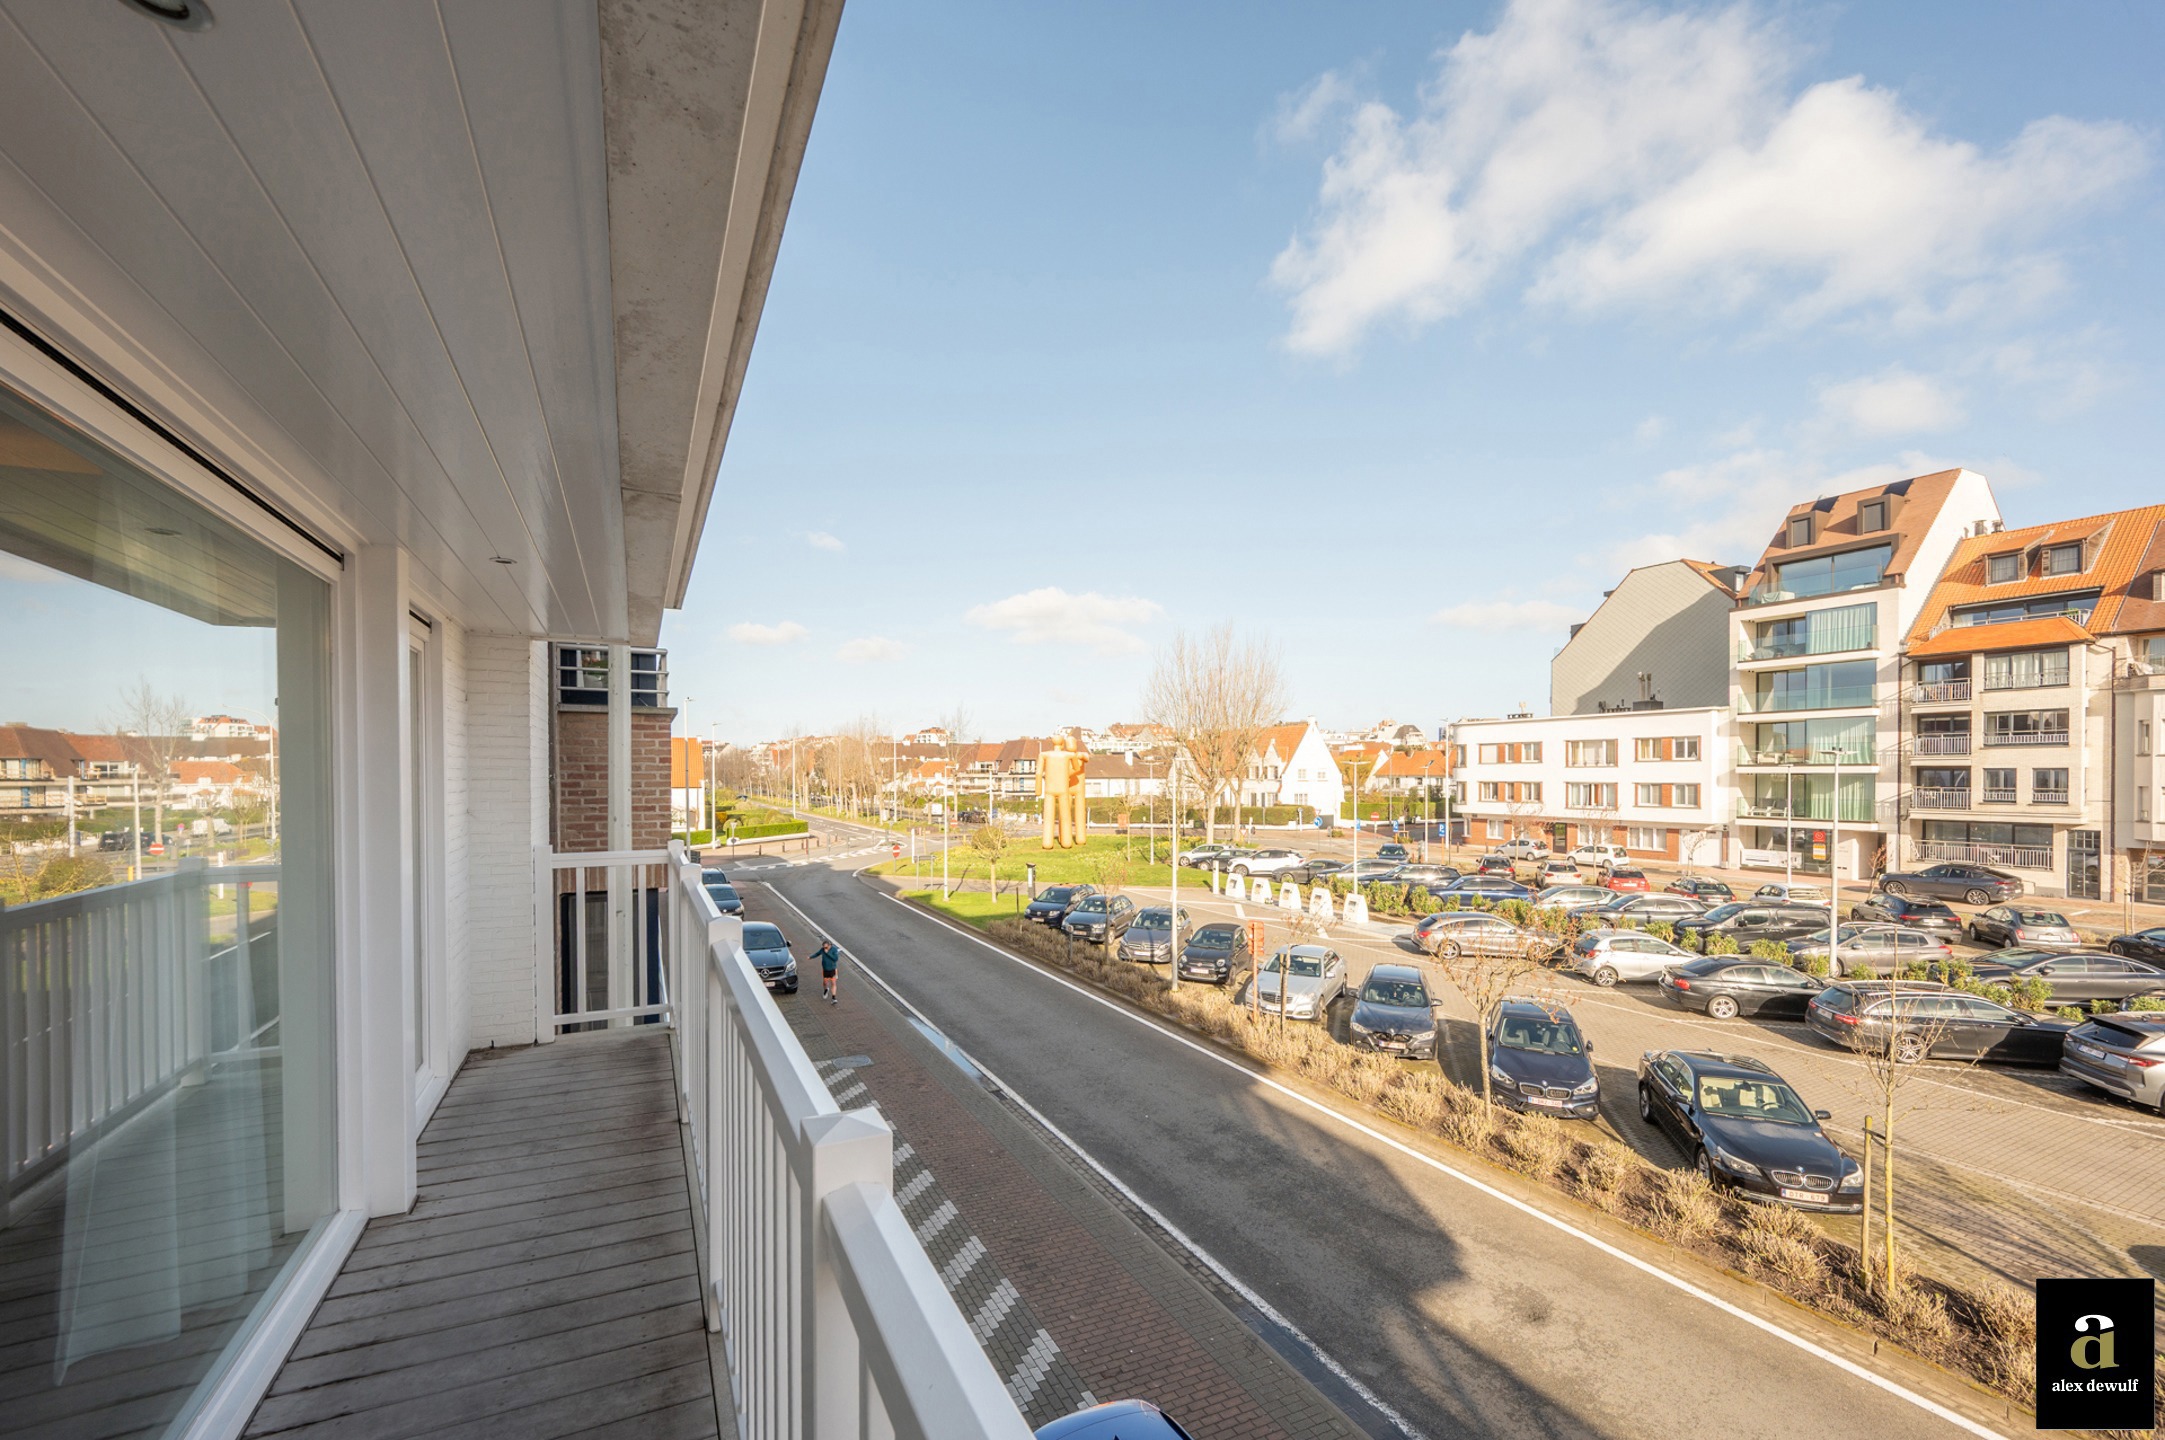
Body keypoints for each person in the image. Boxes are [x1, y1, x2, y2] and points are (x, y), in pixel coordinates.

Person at [816, 937, 841, 1003]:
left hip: (832, 969)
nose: (825, 949)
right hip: (825, 969)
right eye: (824, 947)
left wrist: (828, 953)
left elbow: (835, 959)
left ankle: (834, 998)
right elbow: (817, 953)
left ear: (829, 946)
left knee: (833, 982)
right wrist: (810, 957)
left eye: (826, 947)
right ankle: (826, 989)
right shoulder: (822, 950)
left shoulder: (834, 950)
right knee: (825, 982)